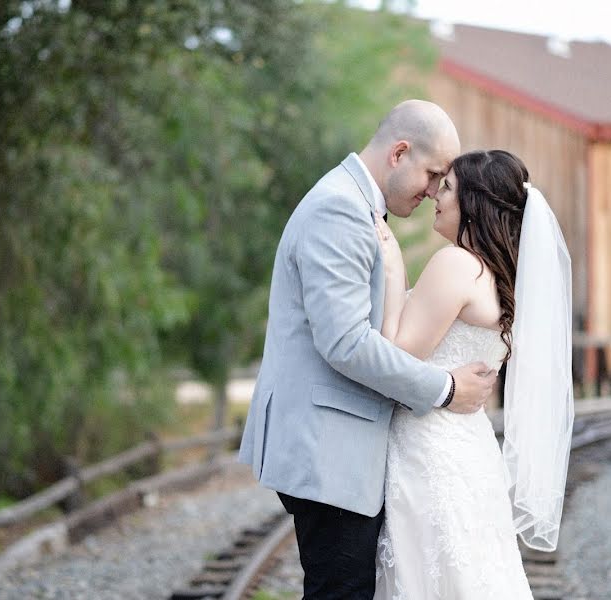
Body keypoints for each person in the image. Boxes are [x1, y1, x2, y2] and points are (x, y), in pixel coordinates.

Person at [237, 100, 498, 600]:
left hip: (339, 446)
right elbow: (347, 343)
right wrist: (445, 389)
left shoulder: (355, 207)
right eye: (432, 175)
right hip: (329, 447)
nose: (432, 193)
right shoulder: (339, 209)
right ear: (400, 152)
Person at [373, 150, 574, 599]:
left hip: (428, 450)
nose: (434, 197)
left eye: (446, 188)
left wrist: (392, 272)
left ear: (474, 203)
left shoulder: (457, 264)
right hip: (471, 452)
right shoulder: (508, 279)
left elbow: (396, 356)